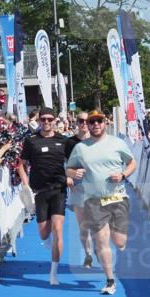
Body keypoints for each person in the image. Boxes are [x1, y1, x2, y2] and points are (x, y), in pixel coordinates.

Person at [66, 110, 136, 295]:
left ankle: (117, 243)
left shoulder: (117, 143)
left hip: (117, 197)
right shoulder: (81, 148)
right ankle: (110, 281)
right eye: (92, 122)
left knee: (119, 241)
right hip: (93, 200)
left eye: (99, 121)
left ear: (105, 123)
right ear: (87, 125)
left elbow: (132, 163)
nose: (95, 124)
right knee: (101, 240)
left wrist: (123, 175)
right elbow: (68, 168)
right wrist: (74, 174)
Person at [17, 107, 70, 285]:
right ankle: (47, 240)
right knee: (43, 233)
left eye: (50, 119)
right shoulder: (31, 141)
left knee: (58, 229)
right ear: (39, 121)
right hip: (39, 192)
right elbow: (21, 165)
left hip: (59, 190)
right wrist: (26, 186)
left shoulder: (63, 141)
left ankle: (53, 273)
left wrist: (71, 176)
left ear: (55, 120)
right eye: (43, 120)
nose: (46, 122)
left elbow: (74, 163)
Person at [65, 111, 93, 268]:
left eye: (86, 121)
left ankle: (101, 248)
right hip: (78, 186)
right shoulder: (69, 143)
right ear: (76, 122)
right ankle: (88, 253)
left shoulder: (97, 140)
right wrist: (68, 177)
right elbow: (65, 163)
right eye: (80, 121)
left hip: (96, 187)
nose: (83, 123)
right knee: (83, 225)